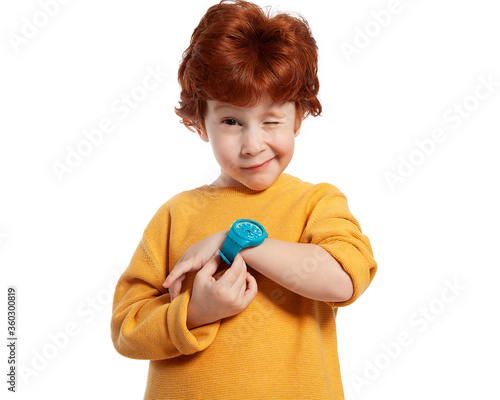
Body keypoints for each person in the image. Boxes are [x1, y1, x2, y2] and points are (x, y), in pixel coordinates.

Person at [111, 1, 377, 398]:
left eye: (271, 121)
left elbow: (342, 279)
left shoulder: (316, 203)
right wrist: (196, 312)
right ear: (201, 122)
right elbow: (126, 329)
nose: (253, 145)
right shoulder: (175, 214)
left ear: (299, 118)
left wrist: (234, 241)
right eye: (231, 121)